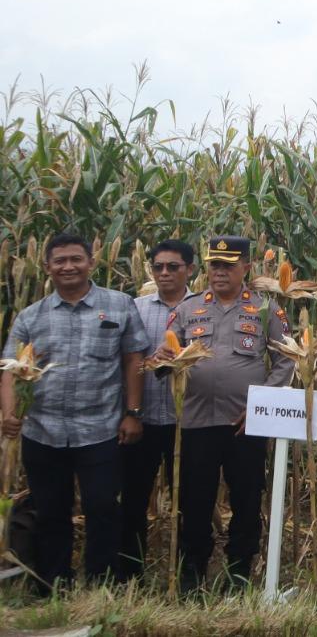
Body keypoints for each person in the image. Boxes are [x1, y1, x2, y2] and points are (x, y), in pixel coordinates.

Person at [0, 231, 146, 592]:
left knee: (102, 507)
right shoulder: (31, 316)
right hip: (43, 429)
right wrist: (9, 413)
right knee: (50, 510)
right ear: (47, 267)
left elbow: (133, 359)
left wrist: (133, 412)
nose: (69, 266)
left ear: (91, 262)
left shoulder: (119, 305)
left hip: (101, 428)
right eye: (60, 261)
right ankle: (53, 584)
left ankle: (101, 583)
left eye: (76, 259)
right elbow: (11, 369)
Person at [163, 235, 291, 591]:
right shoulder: (188, 309)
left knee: (247, 499)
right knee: (194, 500)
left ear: (246, 267)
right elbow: (168, 355)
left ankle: (238, 572)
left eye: (228, 265)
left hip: (244, 424)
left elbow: (286, 360)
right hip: (196, 421)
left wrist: (261, 407)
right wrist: (164, 359)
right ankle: (192, 572)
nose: (219, 272)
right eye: (214, 265)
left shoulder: (266, 309)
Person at [118, 238, 195, 580]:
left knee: (189, 502)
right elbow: (124, 360)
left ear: (190, 269)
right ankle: (129, 574)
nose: (164, 273)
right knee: (133, 500)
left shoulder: (203, 308)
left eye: (173, 267)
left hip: (188, 422)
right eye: (158, 267)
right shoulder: (134, 308)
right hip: (143, 419)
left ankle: (185, 575)